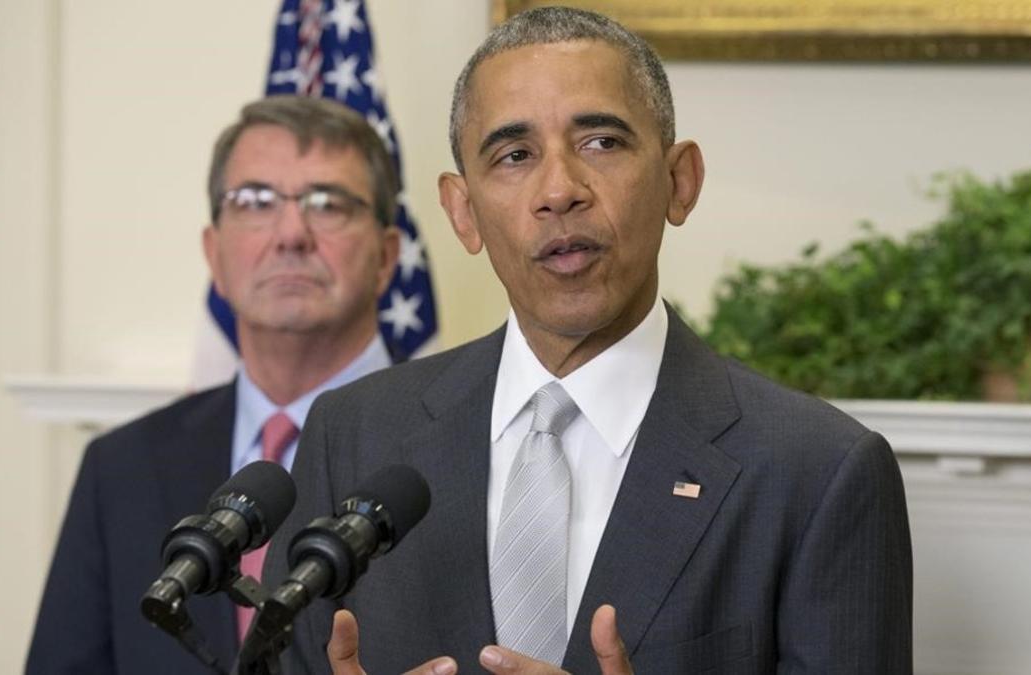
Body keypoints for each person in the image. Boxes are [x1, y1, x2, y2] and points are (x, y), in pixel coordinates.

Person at [267, 6, 912, 674]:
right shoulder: (353, 435)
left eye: (601, 142)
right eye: (514, 155)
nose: (559, 191)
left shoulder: (819, 472)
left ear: (679, 182)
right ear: (464, 212)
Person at [25, 95, 401, 675]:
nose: (292, 234)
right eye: (255, 201)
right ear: (214, 254)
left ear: (386, 256)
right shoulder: (119, 467)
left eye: (328, 203)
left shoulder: (459, 445)